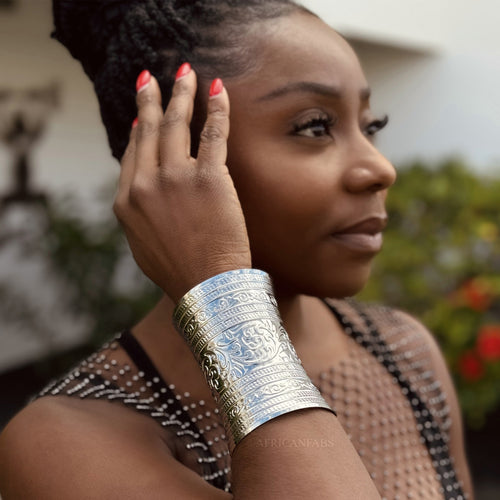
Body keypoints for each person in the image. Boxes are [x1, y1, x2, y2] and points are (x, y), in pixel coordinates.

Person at [0, 1, 474, 498]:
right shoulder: (66, 443)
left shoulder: (404, 351)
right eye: (315, 126)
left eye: (370, 126)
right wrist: (221, 290)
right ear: (173, 160)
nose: (380, 168)